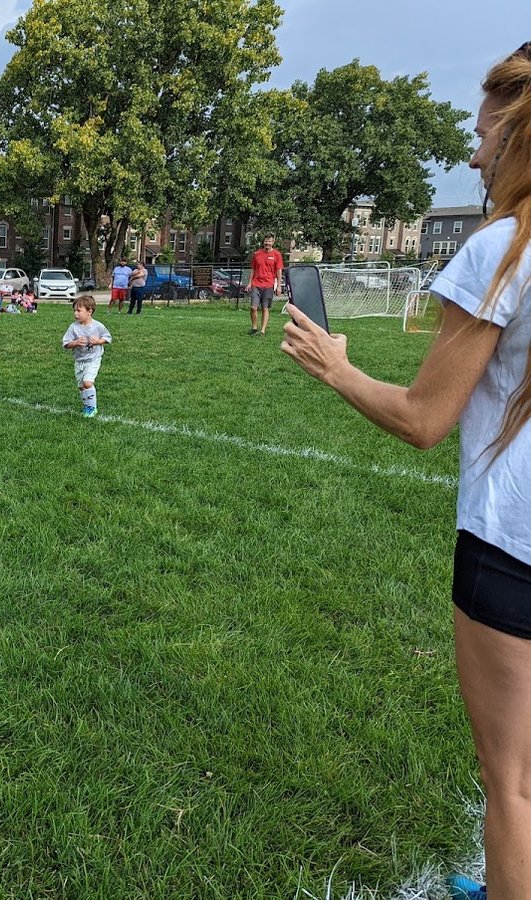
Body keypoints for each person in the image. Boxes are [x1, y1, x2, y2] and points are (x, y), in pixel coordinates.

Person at [283, 42, 531, 900]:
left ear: (518, 135)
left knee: (511, 784)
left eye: (483, 135)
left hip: (511, 543)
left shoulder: (503, 247)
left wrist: (336, 368)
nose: (473, 155)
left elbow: (424, 419)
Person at [62, 295, 112, 418]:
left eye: (79, 311)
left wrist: (98, 342)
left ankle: (92, 408)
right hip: (79, 361)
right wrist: (75, 342)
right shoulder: (73, 327)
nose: (75, 314)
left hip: (93, 359)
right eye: (74, 310)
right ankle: (87, 406)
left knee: (87, 383)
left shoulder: (98, 326)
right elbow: (66, 344)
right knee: (81, 387)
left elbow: (107, 338)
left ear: (89, 311)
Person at [248, 234, 284, 336]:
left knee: (265, 308)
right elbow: (253, 269)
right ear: (263, 242)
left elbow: (279, 271)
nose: (267, 243)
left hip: (268, 285)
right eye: (266, 241)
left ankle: (262, 330)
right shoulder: (257, 254)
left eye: (269, 241)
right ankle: (254, 328)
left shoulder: (277, 255)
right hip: (256, 284)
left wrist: (279, 286)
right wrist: (250, 283)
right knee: (253, 307)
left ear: (273, 242)